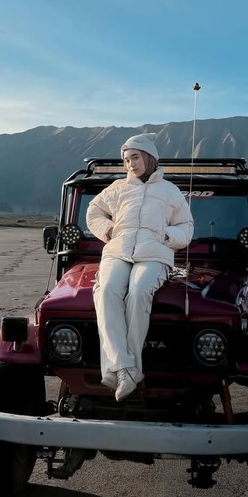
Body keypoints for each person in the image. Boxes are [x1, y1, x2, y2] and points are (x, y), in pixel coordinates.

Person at [86, 134, 194, 402]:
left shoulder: (170, 191)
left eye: (135, 157)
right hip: (117, 251)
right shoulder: (117, 188)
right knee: (107, 291)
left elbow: (186, 226)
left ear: (148, 157)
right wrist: (108, 230)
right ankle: (123, 368)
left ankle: (130, 371)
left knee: (139, 291)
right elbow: (93, 212)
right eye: (126, 160)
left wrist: (168, 236)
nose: (130, 164)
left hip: (155, 255)